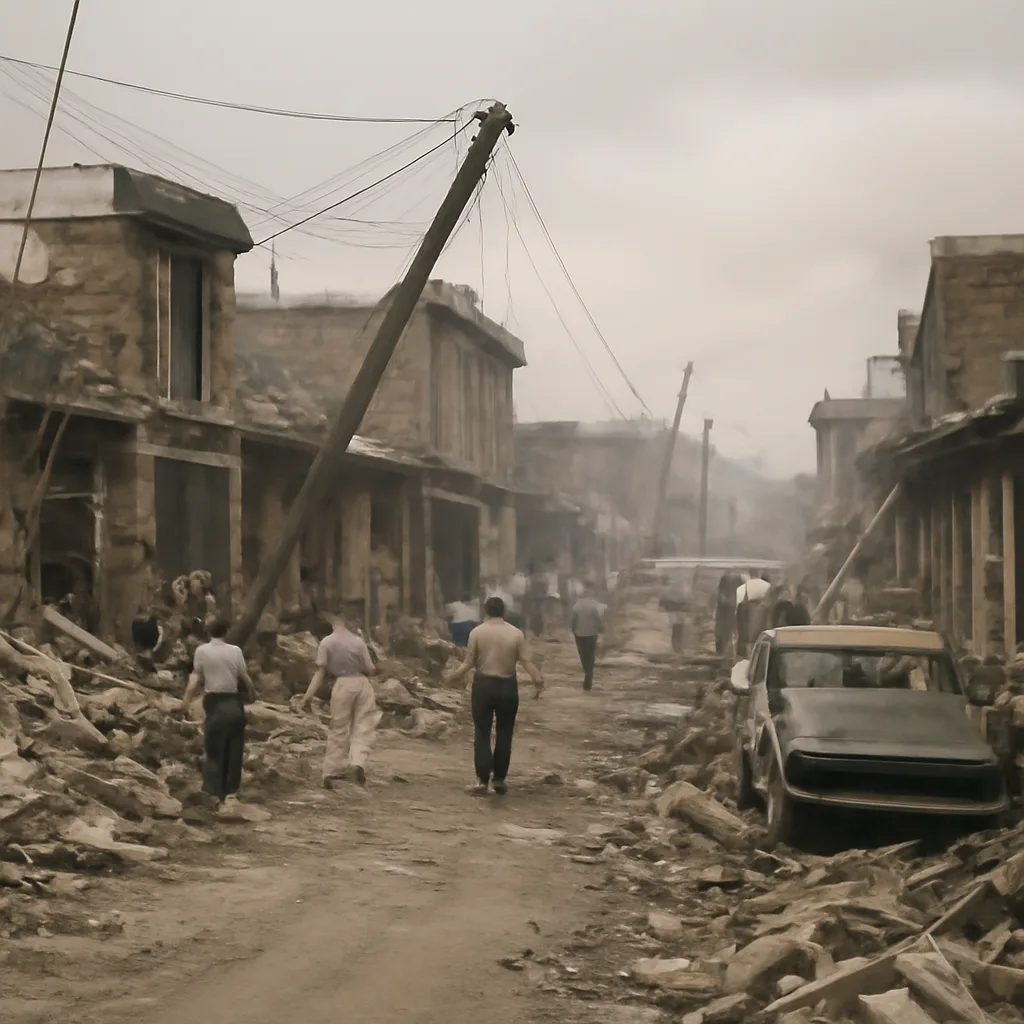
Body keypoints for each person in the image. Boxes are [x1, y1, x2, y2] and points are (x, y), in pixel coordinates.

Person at [444, 596, 544, 795]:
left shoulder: (477, 632)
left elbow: (469, 662)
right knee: (505, 732)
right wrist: (538, 680)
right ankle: (499, 779)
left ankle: (482, 781)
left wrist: (453, 676)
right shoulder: (516, 633)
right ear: (504, 611)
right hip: (507, 686)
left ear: (486, 611)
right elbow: (526, 661)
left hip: (483, 686)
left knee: (482, 732)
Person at [299, 613, 380, 788]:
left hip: (342, 684)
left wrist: (307, 697)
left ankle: (330, 771)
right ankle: (357, 763)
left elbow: (320, 672)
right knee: (364, 726)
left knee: (338, 729)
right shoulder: (358, 641)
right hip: (362, 683)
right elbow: (370, 669)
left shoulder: (326, 643)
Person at [182, 617, 257, 807]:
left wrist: (184, 704)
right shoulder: (235, 651)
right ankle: (231, 793)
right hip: (233, 703)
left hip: (215, 703)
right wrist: (253, 693)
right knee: (234, 748)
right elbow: (245, 678)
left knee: (214, 749)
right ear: (226, 632)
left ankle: (214, 793)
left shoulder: (202, 651)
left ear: (208, 632)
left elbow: (194, 681)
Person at [571, 582, 605, 691]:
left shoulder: (578, 604)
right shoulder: (595, 605)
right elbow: (599, 619)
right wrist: (601, 628)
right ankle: (588, 674)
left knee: (583, 655)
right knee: (591, 655)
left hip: (580, 633)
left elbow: (574, 618)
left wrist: (573, 628)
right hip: (592, 633)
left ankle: (587, 672)